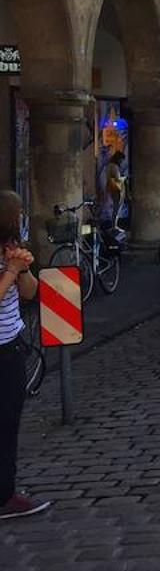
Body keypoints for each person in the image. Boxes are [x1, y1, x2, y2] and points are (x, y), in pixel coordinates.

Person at [0, 191, 49, 519]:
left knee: (8, 423)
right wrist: (9, 271)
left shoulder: (8, 249)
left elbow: (31, 293)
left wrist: (23, 269)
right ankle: (4, 498)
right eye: (19, 212)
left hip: (11, 344)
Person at [102, 150, 126, 225]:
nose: (122, 162)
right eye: (121, 160)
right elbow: (117, 178)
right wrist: (124, 178)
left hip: (110, 187)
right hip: (116, 188)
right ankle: (114, 224)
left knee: (113, 206)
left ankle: (113, 224)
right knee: (116, 207)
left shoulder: (108, 166)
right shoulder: (114, 166)